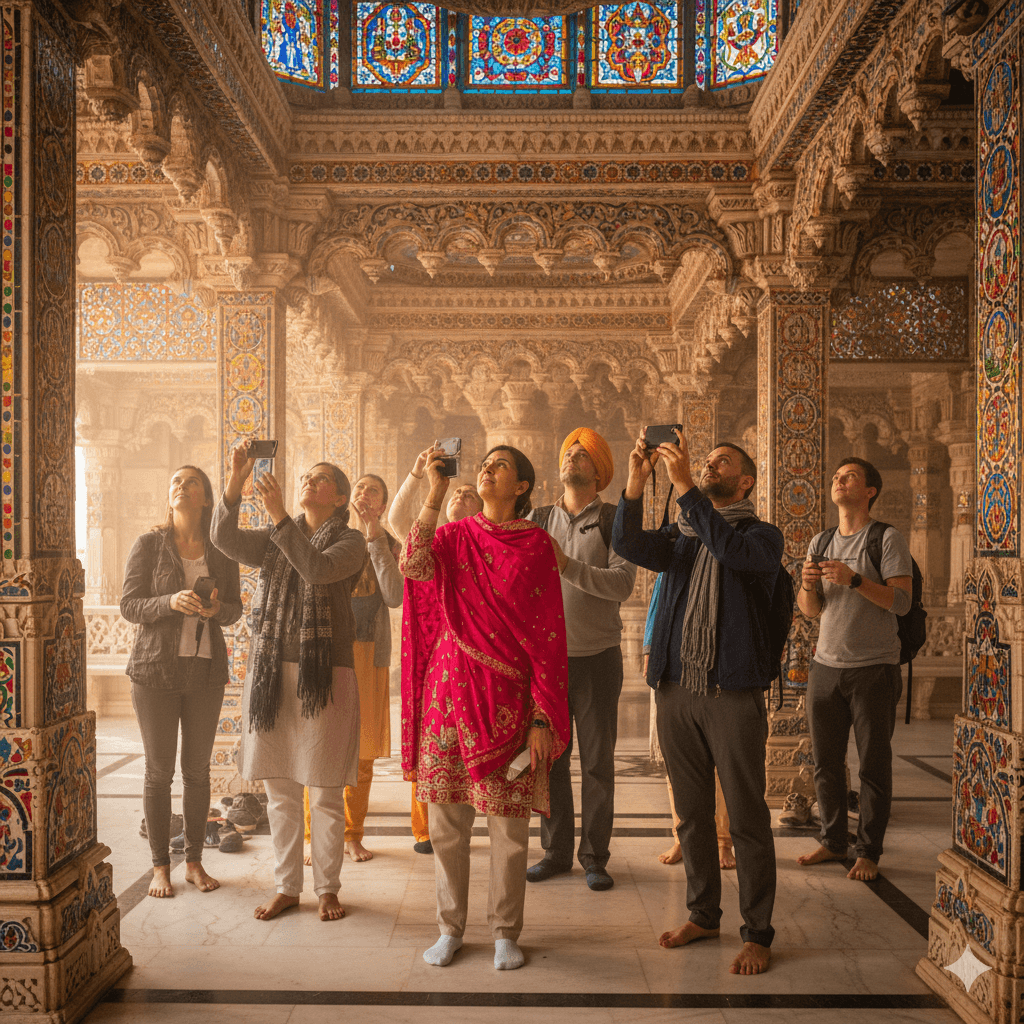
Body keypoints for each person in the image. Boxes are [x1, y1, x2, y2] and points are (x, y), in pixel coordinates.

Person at [612, 429, 781, 976]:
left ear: (746, 481)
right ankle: (704, 914)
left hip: (730, 690)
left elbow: (728, 550)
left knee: (748, 817)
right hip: (676, 688)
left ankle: (757, 932)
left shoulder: (761, 537)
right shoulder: (684, 534)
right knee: (691, 815)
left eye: (721, 461)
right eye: (704, 461)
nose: (709, 465)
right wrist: (636, 485)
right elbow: (629, 545)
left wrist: (684, 484)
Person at [400, 443, 569, 971]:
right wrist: (435, 490)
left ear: (521, 487)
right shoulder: (453, 535)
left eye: (500, 465)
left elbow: (547, 634)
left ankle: (504, 931)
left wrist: (542, 715)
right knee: (447, 822)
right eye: (485, 464)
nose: (487, 469)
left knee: (507, 826)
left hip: (508, 699)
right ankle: (450, 927)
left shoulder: (537, 543)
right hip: (449, 691)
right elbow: (412, 562)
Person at [210, 449, 366, 922]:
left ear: (340, 498)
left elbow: (315, 568)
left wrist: (279, 516)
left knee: (322, 791)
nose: (307, 482)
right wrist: (235, 485)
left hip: (326, 677)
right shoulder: (278, 537)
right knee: (279, 790)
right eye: (305, 477)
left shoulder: (352, 542)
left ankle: (328, 888)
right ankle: (286, 886)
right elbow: (222, 538)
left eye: (321, 480)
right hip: (272, 672)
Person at [121, 465, 243, 899]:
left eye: (192, 482)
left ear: (207, 498)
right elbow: (130, 604)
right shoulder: (150, 544)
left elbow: (235, 609)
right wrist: (170, 601)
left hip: (205, 670)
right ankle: (159, 867)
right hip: (155, 671)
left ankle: (194, 862)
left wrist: (216, 611)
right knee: (159, 773)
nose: (181, 486)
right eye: (176, 481)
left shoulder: (220, 549)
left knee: (196, 771)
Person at [525, 428, 636, 891]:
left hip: (597, 659)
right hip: (547, 663)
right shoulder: (537, 517)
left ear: (600, 470)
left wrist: (568, 566)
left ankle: (594, 856)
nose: (572, 458)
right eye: (568, 452)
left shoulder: (613, 519)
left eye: (582, 454)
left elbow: (622, 584)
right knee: (550, 759)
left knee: (596, 762)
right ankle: (554, 852)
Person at [796, 457, 912, 882]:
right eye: (835, 477)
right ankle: (832, 840)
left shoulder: (886, 539)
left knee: (872, 765)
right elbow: (809, 611)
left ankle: (869, 850)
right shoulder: (821, 540)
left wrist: (856, 580)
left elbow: (901, 603)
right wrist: (808, 585)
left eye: (848, 477)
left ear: (870, 491)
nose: (838, 481)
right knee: (825, 762)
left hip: (873, 670)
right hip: (826, 667)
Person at [387, 448, 484, 855]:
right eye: (455, 493)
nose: (459, 497)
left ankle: (474, 813)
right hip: (431, 649)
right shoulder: (429, 538)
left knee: (472, 736)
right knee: (432, 737)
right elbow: (395, 520)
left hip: (474, 652)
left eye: (469, 494)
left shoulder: (485, 542)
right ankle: (427, 828)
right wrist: (416, 474)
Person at [644, 573, 735, 871]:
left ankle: (722, 840)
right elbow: (657, 602)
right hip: (671, 667)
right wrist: (649, 651)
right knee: (676, 762)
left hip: (715, 669)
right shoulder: (675, 550)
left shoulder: (727, 550)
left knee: (719, 762)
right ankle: (683, 836)